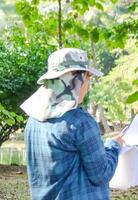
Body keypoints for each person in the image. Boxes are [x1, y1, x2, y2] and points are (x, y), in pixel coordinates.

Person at [20, 48, 125, 200]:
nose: (87, 86)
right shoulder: (80, 122)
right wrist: (114, 146)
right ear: (78, 79)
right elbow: (101, 174)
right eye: (88, 78)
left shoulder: (33, 121)